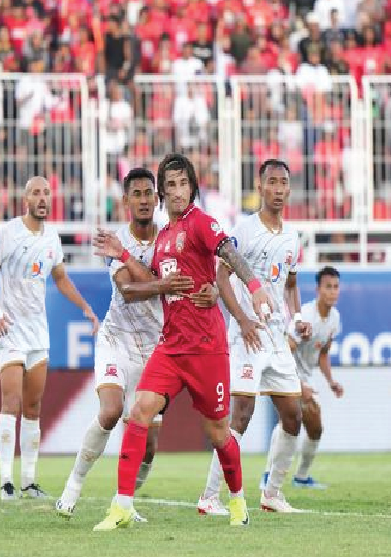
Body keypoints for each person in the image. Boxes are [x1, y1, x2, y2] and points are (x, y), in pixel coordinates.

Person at [92, 153, 274, 530]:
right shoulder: (162, 239)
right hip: (171, 347)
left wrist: (253, 287)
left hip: (206, 347)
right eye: (170, 186)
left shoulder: (201, 224)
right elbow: (152, 280)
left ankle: (238, 500)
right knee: (139, 410)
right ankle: (122, 505)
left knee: (219, 432)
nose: (177, 192)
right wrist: (124, 253)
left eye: (183, 184)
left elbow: (229, 253)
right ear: (162, 194)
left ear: (192, 188)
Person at [55, 168, 219, 520]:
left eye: (149, 193)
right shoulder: (116, 242)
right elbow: (128, 292)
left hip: (156, 348)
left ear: (157, 199)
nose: (144, 200)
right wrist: (163, 283)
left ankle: (124, 502)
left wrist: (209, 289)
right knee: (112, 411)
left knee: (149, 447)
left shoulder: (169, 239)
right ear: (126, 200)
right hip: (117, 340)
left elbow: (189, 281)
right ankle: (73, 485)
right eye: (137, 194)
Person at [198, 159, 307, 515]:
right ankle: (209, 496)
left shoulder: (293, 238)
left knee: (293, 415)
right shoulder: (243, 231)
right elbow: (222, 277)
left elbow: (290, 283)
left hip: (277, 339)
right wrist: (242, 320)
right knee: (241, 413)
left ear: (289, 188)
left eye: (283, 182)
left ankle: (271, 493)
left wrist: (298, 318)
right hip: (248, 336)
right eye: (271, 182)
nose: (277, 188)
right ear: (259, 188)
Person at [0, 176, 99, 500]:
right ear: (26, 200)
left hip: (38, 333)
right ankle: (6, 481)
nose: (43, 197)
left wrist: (86, 308)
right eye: (36, 192)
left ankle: (29, 481)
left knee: (33, 406)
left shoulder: (52, 239)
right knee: (12, 402)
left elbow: (60, 279)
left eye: (47, 192)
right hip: (10, 330)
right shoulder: (8, 234)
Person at [260, 266, 343, 490]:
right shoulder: (305, 316)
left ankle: (301, 477)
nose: (333, 291)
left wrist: (331, 381)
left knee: (315, 428)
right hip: (286, 372)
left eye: (336, 287)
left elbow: (323, 354)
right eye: (328, 287)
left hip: (306, 377)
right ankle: (268, 476)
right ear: (318, 289)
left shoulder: (334, 319)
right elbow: (285, 348)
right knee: (289, 421)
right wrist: (297, 385)